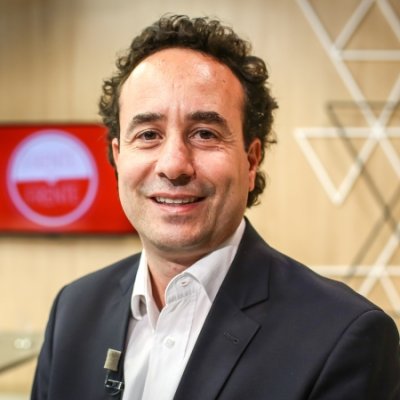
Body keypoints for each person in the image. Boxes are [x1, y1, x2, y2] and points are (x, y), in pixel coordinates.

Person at [31, 14, 400, 400]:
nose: (174, 165)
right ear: (118, 157)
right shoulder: (73, 311)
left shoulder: (343, 337)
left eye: (205, 134)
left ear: (251, 160)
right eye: (149, 134)